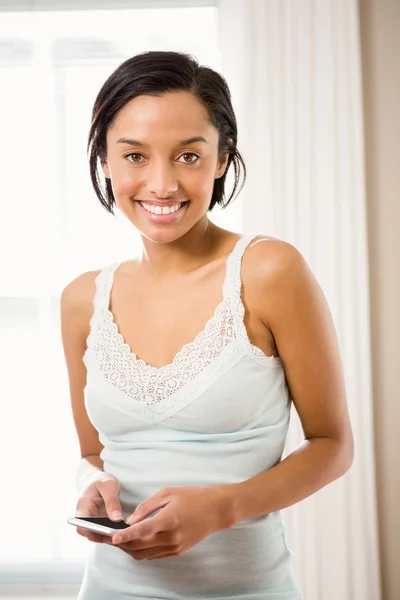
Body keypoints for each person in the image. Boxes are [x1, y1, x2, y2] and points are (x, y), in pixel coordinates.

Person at [60, 50, 354, 600]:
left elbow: (332, 444)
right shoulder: (82, 299)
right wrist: (92, 489)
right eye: (135, 156)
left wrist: (224, 507)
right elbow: (93, 454)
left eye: (188, 156)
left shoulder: (268, 271)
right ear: (105, 159)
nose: (163, 183)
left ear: (222, 158)